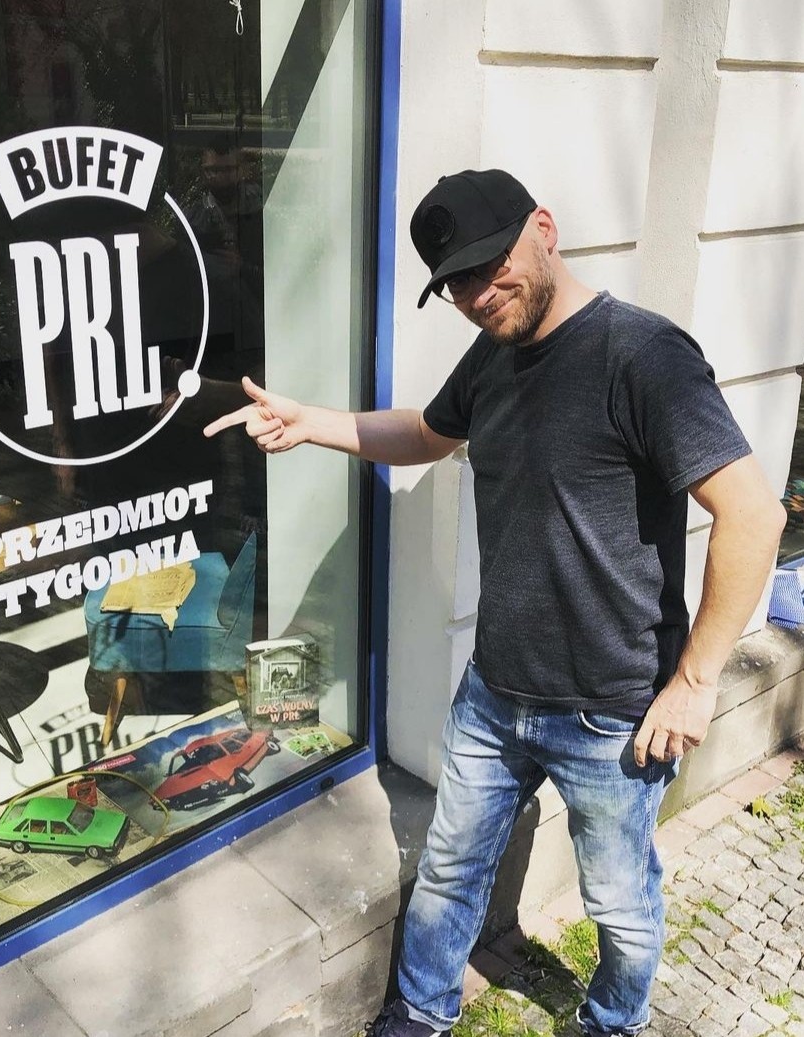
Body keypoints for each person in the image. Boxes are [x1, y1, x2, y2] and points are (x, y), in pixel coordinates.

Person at [202, 169, 787, 1037]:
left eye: (489, 264)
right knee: (447, 871)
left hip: (611, 711)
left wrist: (695, 682)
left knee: (618, 901)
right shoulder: (495, 353)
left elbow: (752, 513)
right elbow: (426, 432)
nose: (477, 293)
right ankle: (419, 1011)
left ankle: (613, 1021)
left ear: (542, 228)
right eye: (456, 282)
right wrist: (310, 421)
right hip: (493, 690)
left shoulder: (641, 355)